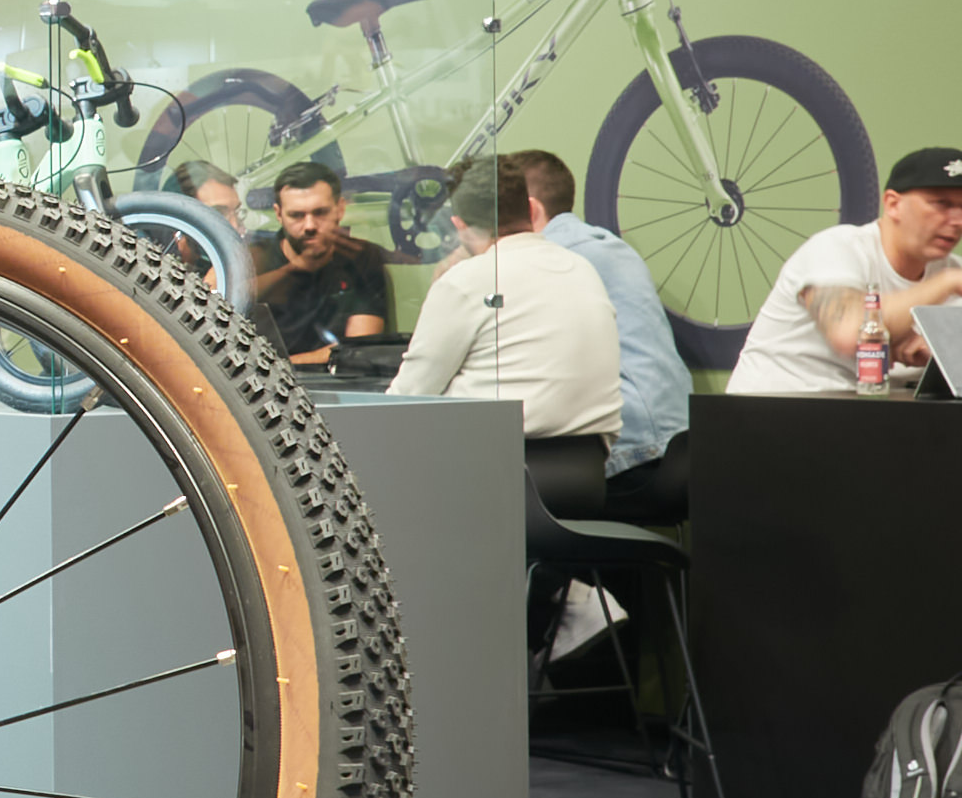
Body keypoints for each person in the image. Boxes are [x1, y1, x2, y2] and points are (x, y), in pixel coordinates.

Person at [390, 156, 622, 502]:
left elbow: (405, 401)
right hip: (588, 482)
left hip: (493, 488)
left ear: (459, 224)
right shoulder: (583, 269)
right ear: (531, 209)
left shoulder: (469, 280)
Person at [722, 147, 962, 394]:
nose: (959, 220)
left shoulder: (957, 270)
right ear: (893, 204)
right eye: (941, 204)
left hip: (872, 420)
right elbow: (850, 332)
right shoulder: (836, 248)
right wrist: (946, 285)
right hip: (772, 414)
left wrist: (941, 353)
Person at [507, 148, 693, 524]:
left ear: (530, 211)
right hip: (681, 455)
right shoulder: (606, 247)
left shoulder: (553, 262)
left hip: (631, 458)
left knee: (494, 499)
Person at [247, 163, 390, 367]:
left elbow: (359, 347)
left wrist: (277, 366)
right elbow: (215, 299)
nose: (310, 226)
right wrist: (290, 271)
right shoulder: (255, 258)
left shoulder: (361, 257)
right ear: (278, 214)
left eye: (320, 212)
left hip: (334, 385)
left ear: (340, 208)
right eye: (296, 215)